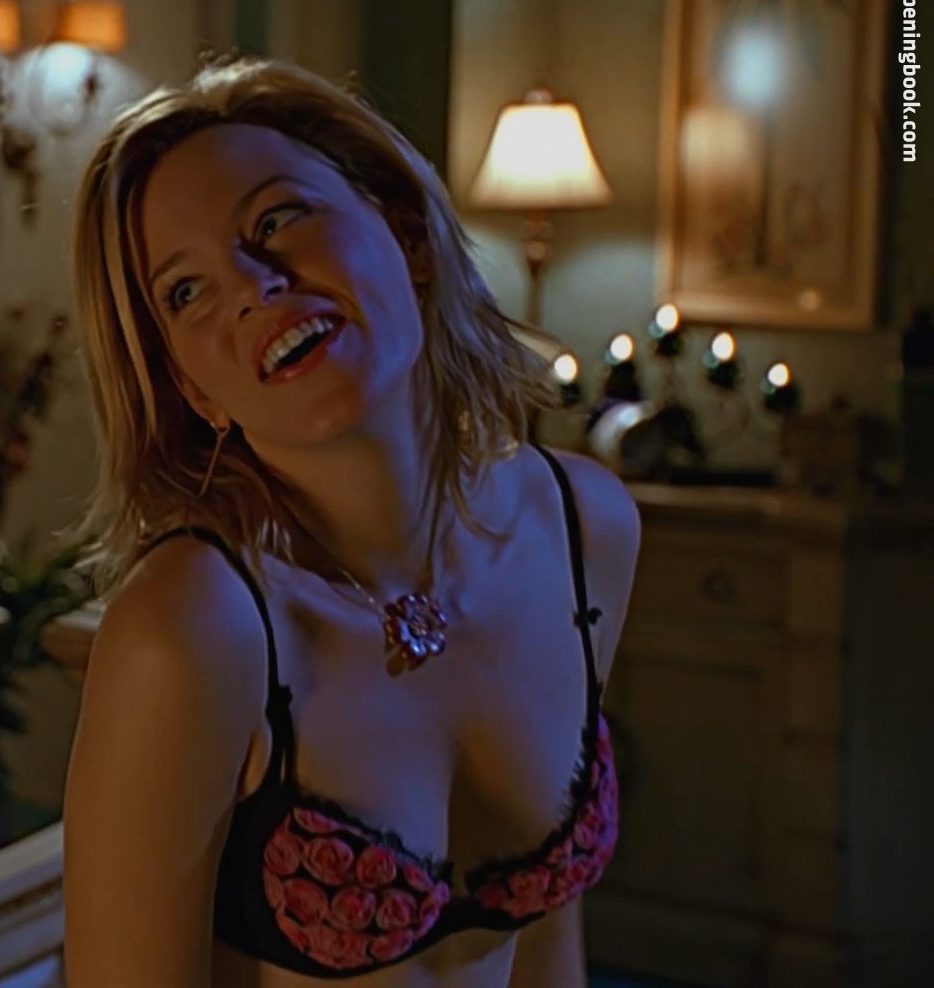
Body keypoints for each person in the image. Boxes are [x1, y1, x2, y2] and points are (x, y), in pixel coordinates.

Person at [60, 58, 640, 985]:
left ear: (407, 236)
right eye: (186, 291)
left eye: (276, 220)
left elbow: (548, 943)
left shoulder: (582, 528)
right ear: (193, 390)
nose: (252, 285)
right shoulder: (194, 628)